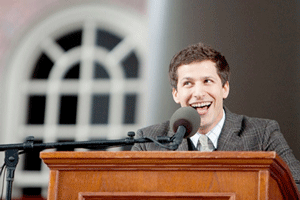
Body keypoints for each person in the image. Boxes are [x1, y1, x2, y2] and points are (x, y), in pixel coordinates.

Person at [131, 42, 300, 191]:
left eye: (207, 81)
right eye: (188, 83)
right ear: (176, 94)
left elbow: (296, 185)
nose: (198, 93)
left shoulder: (263, 134)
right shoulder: (147, 142)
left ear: (224, 88)